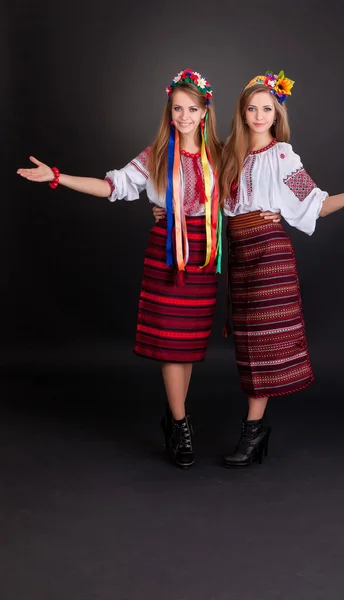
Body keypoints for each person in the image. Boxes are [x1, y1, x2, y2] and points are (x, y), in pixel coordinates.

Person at [17, 69, 223, 469]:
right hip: (167, 252)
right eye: (177, 108)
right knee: (169, 341)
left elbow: (244, 187)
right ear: (170, 112)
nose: (183, 116)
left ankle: (174, 417)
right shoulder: (156, 155)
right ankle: (181, 424)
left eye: (191, 109)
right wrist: (56, 176)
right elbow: (112, 186)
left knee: (188, 344)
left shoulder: (220, 154)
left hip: (202, 252)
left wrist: (270, 212)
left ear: (204, 113)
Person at [217, 69, 344, 467]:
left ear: (277, 115)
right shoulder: (229, 153)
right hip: (240, 254)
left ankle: (251, 432)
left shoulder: (282, 156)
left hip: (268, 255)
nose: (260, 115)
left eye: (268, 108)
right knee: (247, 344)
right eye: (253, 108)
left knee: (262, 344)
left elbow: (315, 203)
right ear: (242, 113)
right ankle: (256, 432)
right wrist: (166, 208)